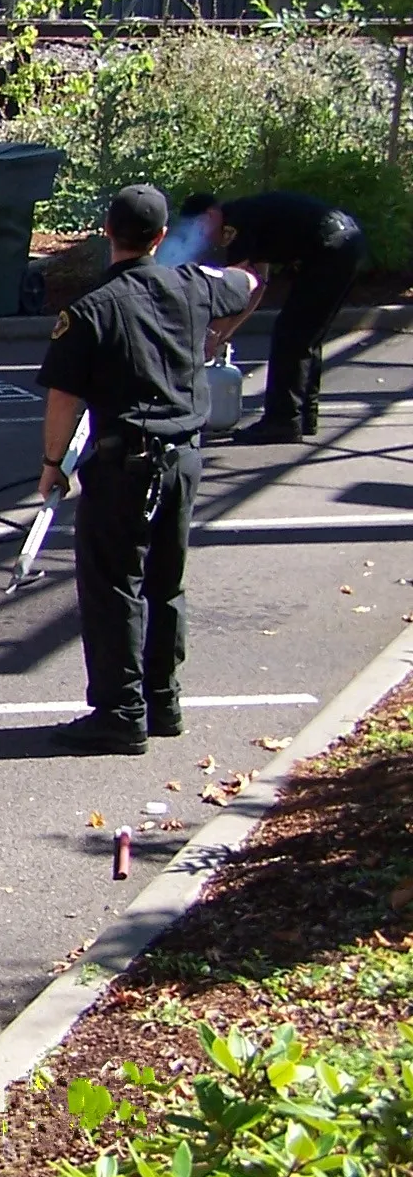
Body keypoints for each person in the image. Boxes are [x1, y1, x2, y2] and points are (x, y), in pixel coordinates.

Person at [36, 184, 257, 756]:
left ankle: (120, 713)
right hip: (183, 460)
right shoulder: (195, 285)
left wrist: (52, 465)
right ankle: (163, 700)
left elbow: (65, 397)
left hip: (125, 465)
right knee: (166, 580)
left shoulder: (91, 310)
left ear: (107, 232)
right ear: (160, 237)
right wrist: (217, 336)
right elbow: (250, 283)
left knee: (114, 587)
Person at [179, 190, 365, 442]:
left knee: (291, 334)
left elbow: (230, 291)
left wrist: (211, 336)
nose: (202, 238)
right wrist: (226, 333)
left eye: (199, 229)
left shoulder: (236, 223)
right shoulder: (246, 216)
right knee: (307, 334)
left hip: (330, 249)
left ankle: (283, 421)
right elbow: (256, 286)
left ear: (211, 215)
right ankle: (303, 416)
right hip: (345, 242)